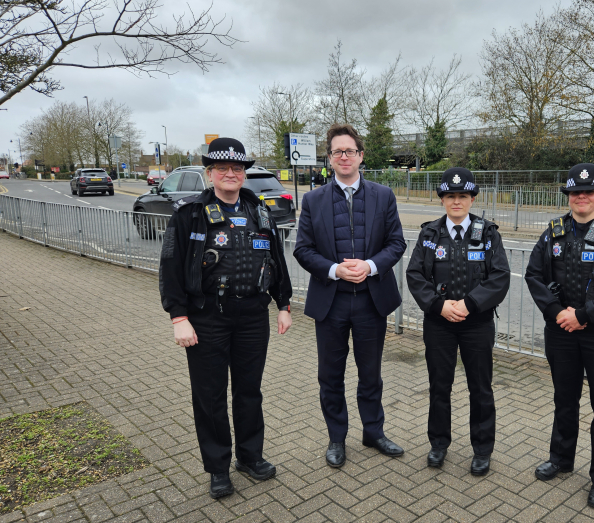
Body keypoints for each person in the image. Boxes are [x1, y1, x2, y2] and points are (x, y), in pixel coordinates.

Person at [159, 137, 293, 499]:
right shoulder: (190, 213)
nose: (230, 174)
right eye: (223, 169)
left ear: (244, 174)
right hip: (207, 318)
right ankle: (218, 467)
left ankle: (250, 457)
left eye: (237, 169)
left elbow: (276, 261)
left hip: (253, 317)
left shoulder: (259, 211)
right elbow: (170, 267)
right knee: (210, 396)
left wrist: (283, 304)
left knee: (249, 392)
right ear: (210, 173)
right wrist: (178, 317)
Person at [525, 163, 594, 510]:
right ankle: (561, 459)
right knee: (564, 400)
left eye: (589, 192)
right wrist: (558, 312)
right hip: (562, 332)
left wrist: (583, 315)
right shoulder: (553, 233)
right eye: (576, 192)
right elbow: (534, 275)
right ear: (569, 197)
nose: (582, 197)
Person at [294, 124, 407, 468]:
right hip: (332, 301)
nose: (344, 157)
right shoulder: (312, 200)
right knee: (330, 375)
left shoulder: (383, 195)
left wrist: (371, 265)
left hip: (372, 301)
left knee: (370, 373)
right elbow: (303, 249)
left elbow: (396, 243)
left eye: (350, 151)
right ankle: (336, 438)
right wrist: (334, 269)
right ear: (329, 159)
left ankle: (373, 432)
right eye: (337, 151)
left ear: (361, 156)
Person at [406, 168, 510, 476]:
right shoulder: (429, 234)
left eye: (462, 196)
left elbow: (499, 277)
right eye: (450, 196)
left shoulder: (488, 232)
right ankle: (438, 444)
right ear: (441, 199)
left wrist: (468, 304)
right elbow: (415, 276)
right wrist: (440, 306)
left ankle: (482, 450)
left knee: (480, 388)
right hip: (439, 324)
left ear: (472, 198)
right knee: (440, 386)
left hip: (476, 324)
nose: (456, 201)